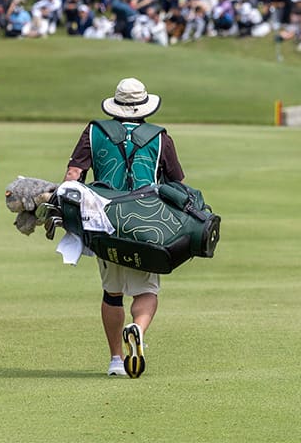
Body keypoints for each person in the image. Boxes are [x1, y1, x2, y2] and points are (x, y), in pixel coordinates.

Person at [63, 78, 185, 378]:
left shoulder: (94, 131)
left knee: (111, 293)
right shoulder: (161, 137)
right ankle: (138, 328)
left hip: (105, 222)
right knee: (147, 290)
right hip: (148, 224)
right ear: (144, 106)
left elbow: (72, 176)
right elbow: (177, 185)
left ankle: (116, 360)